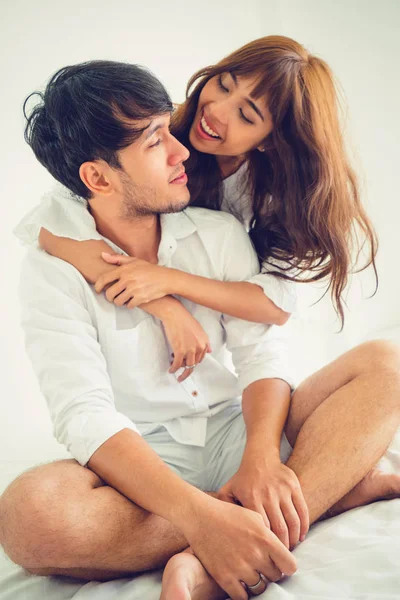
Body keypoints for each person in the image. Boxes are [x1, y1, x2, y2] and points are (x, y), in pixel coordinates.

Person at [1, 59, 400, 600]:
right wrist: (197, 514)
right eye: (155, 142)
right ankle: (321, 490)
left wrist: (260, 455)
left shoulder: (220, 230)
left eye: (171, 128)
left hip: (240, 429)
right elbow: (83, 412)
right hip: (147, 462)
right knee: (27, 516)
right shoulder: (54, 268)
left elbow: (263, 349)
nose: (183, 149)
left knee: (386, 363)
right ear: (96, 178)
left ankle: (224, 543)